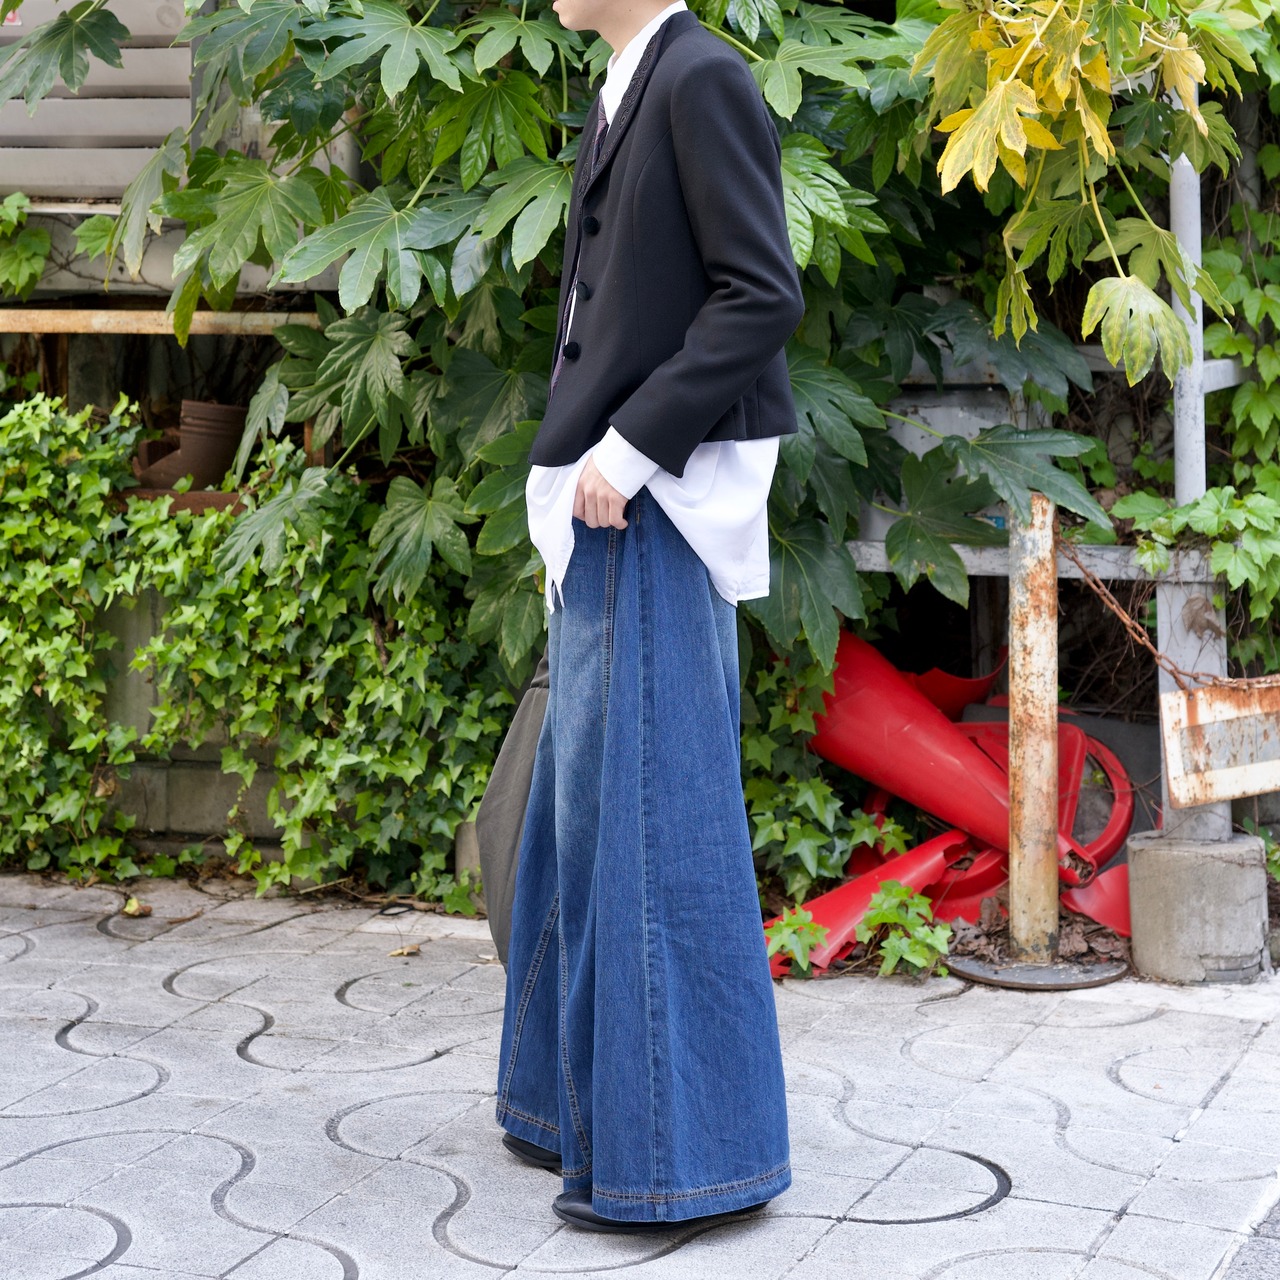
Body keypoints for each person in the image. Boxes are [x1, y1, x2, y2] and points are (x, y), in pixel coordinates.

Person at [493, 0, 805, 1234]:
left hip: (652, 504)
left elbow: (759, 294)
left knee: (651, 825)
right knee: (581, 821)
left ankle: (684, 1159)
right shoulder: (629, 81)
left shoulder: (698, 78)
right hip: (605, 502)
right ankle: (564, 1107)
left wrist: (627, 450)